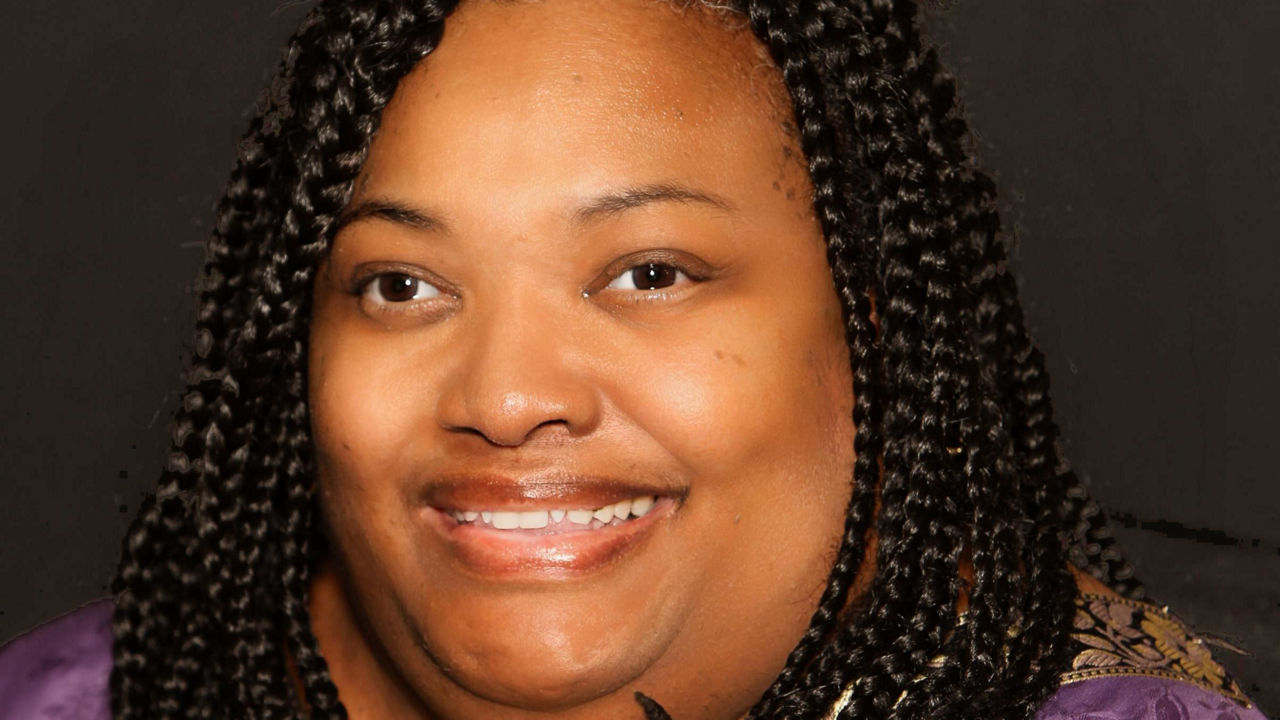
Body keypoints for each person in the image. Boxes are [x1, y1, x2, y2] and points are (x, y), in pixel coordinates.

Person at [0, 1, 1268, 719]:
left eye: (648, 274)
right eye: (399, 284)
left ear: (868, 334)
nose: (503, 397)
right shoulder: (89, 698)